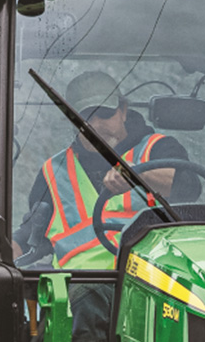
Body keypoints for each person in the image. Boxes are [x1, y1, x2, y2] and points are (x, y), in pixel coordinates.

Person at [13, 71, 189, 268]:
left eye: (105, 113)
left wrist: (138, 175)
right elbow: (32, 234)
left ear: (123, 110)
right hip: (74, 289)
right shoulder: (53, 172)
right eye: (86, 116)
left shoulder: (159, 150)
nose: (96, 125)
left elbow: (186, 187)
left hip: (147, 284)